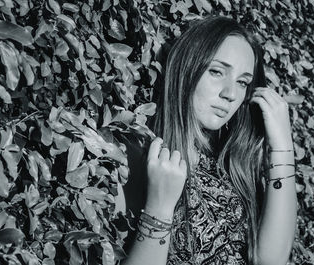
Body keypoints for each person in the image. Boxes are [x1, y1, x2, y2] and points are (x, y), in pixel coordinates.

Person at [116, 16, 297, 265]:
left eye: (242, 82)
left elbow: (271, 260)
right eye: (216, 71)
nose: (230, 94)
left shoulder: (234, 166)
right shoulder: (136, 156)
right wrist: (159, 208)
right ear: (188, 67)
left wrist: (283, 148)